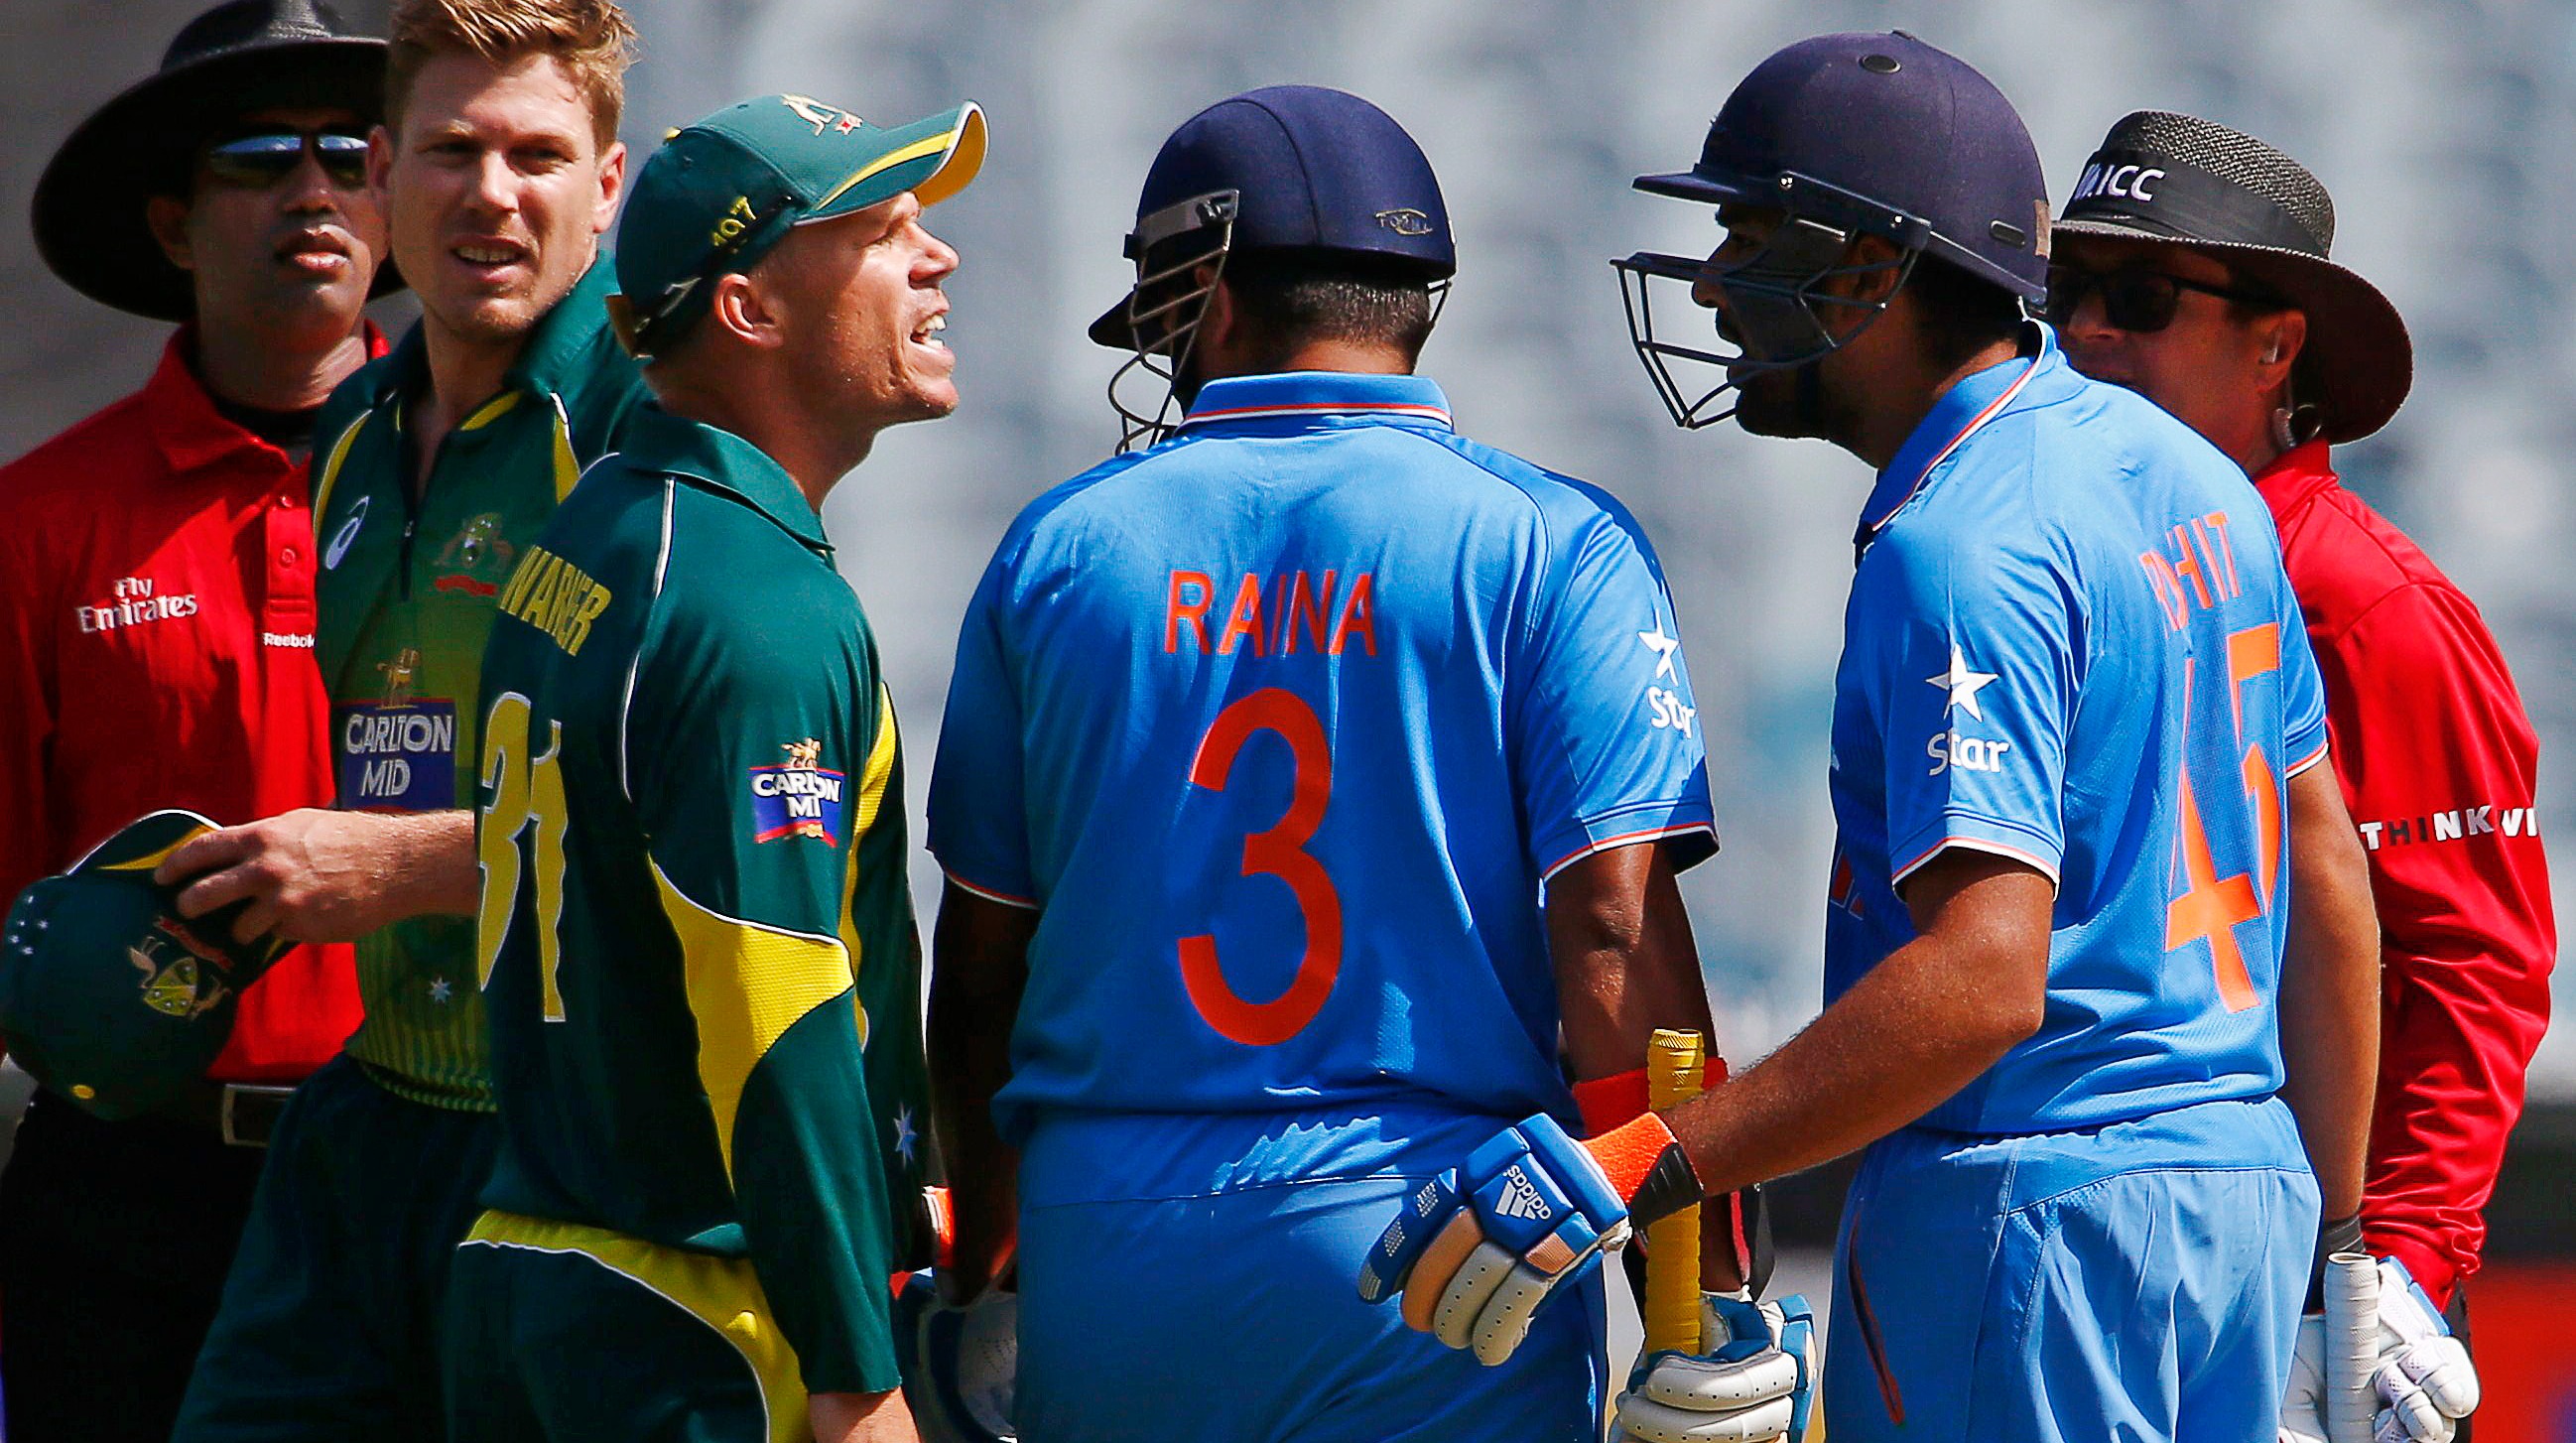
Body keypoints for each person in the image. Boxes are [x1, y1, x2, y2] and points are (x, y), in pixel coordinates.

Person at [1367, 32, 2386, 1443]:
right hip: (2246, 1195)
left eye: (1750, 237)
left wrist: (1642, 1164)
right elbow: (2327, 880)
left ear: (1868, 271)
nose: (1713, 285)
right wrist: (2342, 1244)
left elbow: (1983, 983)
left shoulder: (1960, 541)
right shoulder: (2199, 480)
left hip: (2031, 1211)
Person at [927, 85, 1747, 1443]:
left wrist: (990, 1275)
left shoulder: (1057, 547)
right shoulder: (1555, 538)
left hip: (1115, 1243)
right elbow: (1611, 931)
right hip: (1439, 1250)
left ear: (1210, 302)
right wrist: (1702, 1291)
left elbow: (979, 972)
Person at [446, 90, 984, 1443]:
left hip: (539, 1272)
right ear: (748, 308)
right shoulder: (751, 603)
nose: (937, 256)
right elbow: (773, 1004)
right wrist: (856, 1371)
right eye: (883, 231)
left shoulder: (589, 530)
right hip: (701, 1324)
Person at [163, 0, 648, 1436]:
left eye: (537, 156)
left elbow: (708, 817)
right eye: (450, 151)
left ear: (608, 187)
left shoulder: (655, 435)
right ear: (382, 174)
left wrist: (395, 865)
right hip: (370, 1118)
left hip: (580, 1146)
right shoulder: (355, 438)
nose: (491, 194)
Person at [2048, 111, 2548, 1443]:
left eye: (2139, 296)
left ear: (2276, 349)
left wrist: (2393, 1278)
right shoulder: (2056, 564)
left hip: (2301, 1304)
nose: (2085, 329)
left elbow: (2475, 966)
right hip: (2108, 1247)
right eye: (2066, 290)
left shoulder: (2366, 604)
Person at [0, 2, 390, 1436]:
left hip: (424, 1168)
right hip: (126, 1197)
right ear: (172, 225)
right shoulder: (39, 520)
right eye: (258, 157)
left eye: (349, 154)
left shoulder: (507, 492)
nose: (311, 189)